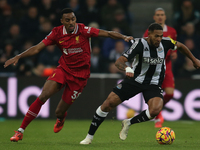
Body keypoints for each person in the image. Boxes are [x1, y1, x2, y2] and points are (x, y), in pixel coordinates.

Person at [4, 8, 133, 142]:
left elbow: (106, 34)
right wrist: (19, 56)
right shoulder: (56, 33)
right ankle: (20, 131)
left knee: (59, 112)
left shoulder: (83, 30)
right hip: (64, 70)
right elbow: (37, 48)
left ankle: (60, 118)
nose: (71, 22)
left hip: (80, 77)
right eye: (67, 20)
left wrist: (123, 37)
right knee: (43, 96)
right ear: (62, 22)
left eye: (73, 19)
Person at [79, 23, 200, 145]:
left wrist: (194, 60)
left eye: (161, 36)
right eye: (156, 36)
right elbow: (119, 62)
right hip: (135, 80)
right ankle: (89, 137)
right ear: (149, 34)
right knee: (108, 104)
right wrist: (127, 69)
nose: (159, 39)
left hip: (153, 83)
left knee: (155, 110)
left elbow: (180, 46)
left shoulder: (166, 42)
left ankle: (129, 122)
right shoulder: (139, 44)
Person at [143, 8, 177, 128]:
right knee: (155, 93)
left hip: (167, 65)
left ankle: (158, 110)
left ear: (165, 17)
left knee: (170, 93)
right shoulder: (149, 32)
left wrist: (174, 52)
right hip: (154, 65)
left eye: (162, 15)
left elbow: (174, 46)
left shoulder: (172, 31)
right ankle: (158, 115)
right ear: (154, 17)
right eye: (158, 15)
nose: (160, 17)